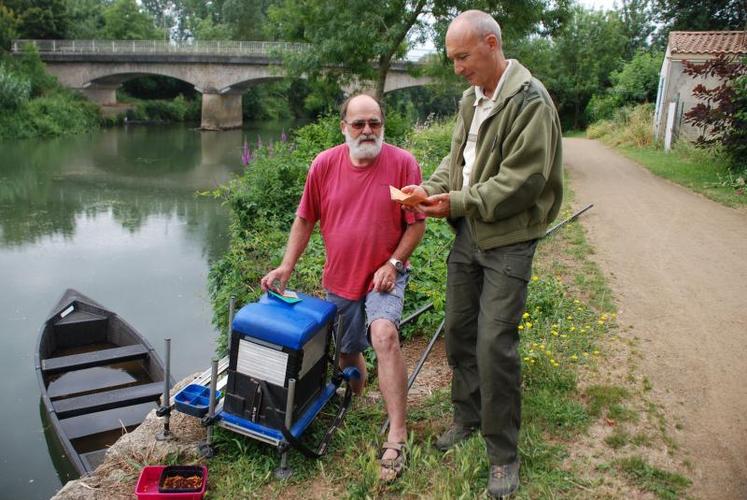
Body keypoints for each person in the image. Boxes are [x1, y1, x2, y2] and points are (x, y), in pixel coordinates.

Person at [402, 10, 563, 498]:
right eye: (452, 59)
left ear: (492, 45)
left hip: (509, 238)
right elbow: (459, 166)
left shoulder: (529, 101)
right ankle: (467, 419)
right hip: (469, 234)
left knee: (495, 345)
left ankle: (503, 454)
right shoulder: (472, 99)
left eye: (463, 57)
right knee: (460, 332)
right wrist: (427, 190)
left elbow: (522, 182)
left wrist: (455, 202)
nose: (457, 68)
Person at [260, 94, 426, 482]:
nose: (368, 130)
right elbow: (305, 219)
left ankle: (397, 435)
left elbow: (416, 223)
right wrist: (287, 265)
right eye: (359, 124)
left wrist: (393, 263)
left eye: (375, 123)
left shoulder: (403, 163)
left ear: (382, 124)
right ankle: (355, 401)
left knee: (384, 336)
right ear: (344, 127)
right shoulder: (324, 165)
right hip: (341, 277)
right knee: (348, 357)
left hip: (385, 273)